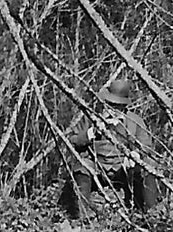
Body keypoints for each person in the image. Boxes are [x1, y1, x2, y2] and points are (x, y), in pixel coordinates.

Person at [60, 76, 155, 218]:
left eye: (117, 106)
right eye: (110, 104)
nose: (113, 109)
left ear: (124, 106)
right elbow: (73, 140)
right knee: (82, 166)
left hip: (123, 168)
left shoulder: (134, 121)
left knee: (148, 166)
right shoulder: (91, 117)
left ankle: (150, 214)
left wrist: (135, 155)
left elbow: (146, 145)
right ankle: (82, 217)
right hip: (97, 166)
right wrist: (91, 133)